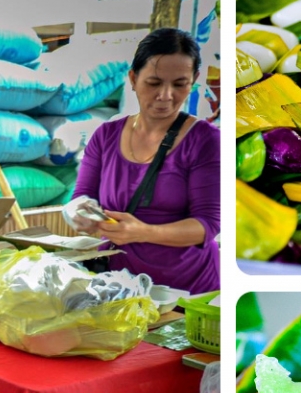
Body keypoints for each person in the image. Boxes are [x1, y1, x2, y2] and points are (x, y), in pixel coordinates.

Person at [66, 27, 219, 293]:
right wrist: (78, 212)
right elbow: (82, 195)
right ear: (134, 79)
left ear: (193, 81)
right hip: (118, 284)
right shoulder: (105, 136)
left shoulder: (206, 140)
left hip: (185, 289)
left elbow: (208, 225)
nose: (166, 95)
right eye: (154, 83)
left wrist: (143, 232)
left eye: (180, 84)